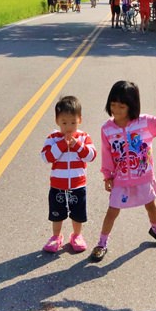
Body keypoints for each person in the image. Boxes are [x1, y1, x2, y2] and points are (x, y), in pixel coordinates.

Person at [90, 81, 156, 261]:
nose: (116, 110)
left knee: (151, 205)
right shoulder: (107, 129)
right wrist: (107, 175)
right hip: (121, 179)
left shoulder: (145, 123)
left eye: (121, 106)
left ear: (132, 106)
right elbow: (106, 154)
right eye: (113, 105)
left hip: (143, 177)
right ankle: (102, 242)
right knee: (112, 211)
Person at [40, 95, 97, 253]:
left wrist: (78, 145)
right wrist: (61, 145)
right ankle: (56, 237)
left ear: (80, 119)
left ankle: (77, 235)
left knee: (78, 213)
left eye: (73, 122)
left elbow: (92, 155)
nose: (69, 127)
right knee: (57, 213)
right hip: (58, 185)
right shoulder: (53, 138)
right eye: (64, 122)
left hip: (78, 184)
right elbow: (45, 157)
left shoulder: (83, 137)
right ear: (57, 120)